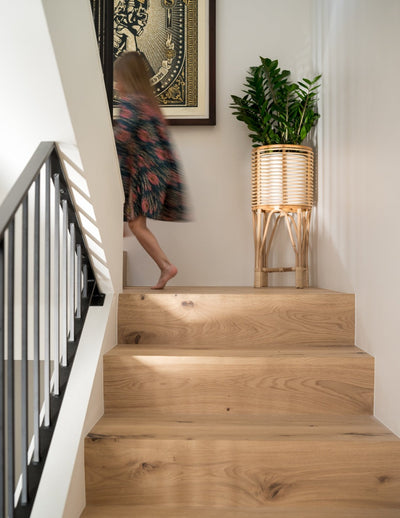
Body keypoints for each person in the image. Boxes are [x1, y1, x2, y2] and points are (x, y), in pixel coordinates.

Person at [113, 51, 189, 289]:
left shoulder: (131, 103)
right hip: (158, 172)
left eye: (117, 78)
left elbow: (121, 139)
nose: (115, 83)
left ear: (126, 77)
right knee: (137, 224)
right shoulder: (148, 103)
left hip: (145, 173)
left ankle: (167, 266)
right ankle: (166, 267)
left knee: (136, 224)